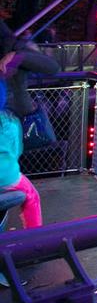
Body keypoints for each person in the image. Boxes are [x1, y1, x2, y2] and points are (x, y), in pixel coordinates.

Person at [0, 53, 41, 229]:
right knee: (32, 195)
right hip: (5, 176)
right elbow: (16, 151)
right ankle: (34, 239)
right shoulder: (8, 122)